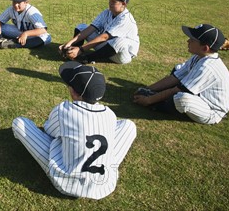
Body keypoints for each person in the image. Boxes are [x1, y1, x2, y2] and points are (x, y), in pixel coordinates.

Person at [12, 61, 136, 200]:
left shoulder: (64, 110)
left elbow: (48, 132)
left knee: (19, 123)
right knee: (128, 126)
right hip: (105, 184)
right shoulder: (110, 115)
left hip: (65, 181)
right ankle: (105, 162)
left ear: (72, 91)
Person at [133, 24, 229, 124]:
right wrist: (148, 88)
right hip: (199, 97)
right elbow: (174, 78)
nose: (188, 41)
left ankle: (159, 104)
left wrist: (148, 100)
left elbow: (177, 90)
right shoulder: (198, 57)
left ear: (205, 48)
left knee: (181, 98)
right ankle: (157, 98)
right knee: (177, 70)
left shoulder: (207, 67)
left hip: (211, 110)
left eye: (192, 40)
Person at [59, 0, 139, 64]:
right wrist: (68, 44)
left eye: (113, 2)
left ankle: (86, 59)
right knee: (82, 27)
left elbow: (104, 37)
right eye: (109, 0)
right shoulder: (107, 12)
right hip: (106, 47)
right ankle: (71, 52)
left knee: (120, 41)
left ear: (123, 4)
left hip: (122, 54)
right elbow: (91, 28)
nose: (110, 3)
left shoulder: (126, 19)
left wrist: (81, 49)